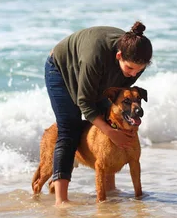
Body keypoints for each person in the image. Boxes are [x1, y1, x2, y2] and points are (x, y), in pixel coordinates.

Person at [44, 21, 153, 206]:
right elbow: (84, 102)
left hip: (100, 71)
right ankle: (61, 200)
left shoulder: (134, 58)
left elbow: (118, 99)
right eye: (130, 68)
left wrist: (114, 127)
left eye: (139, 70)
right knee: (69, 128)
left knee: (108, 116)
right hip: (62, 68)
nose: (133, 74)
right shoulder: (94, 57)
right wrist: (111, 133)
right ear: (119, 55)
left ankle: (109, 189)